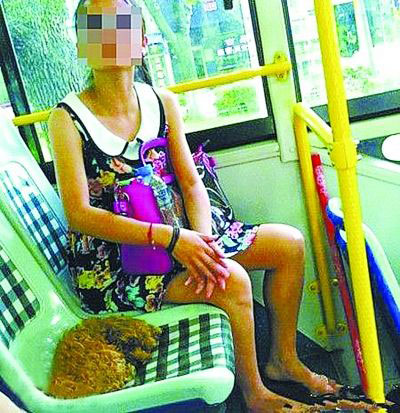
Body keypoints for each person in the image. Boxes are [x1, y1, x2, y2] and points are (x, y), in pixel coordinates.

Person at [48, 0, 374, 411]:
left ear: (142, 42)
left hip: (182, 232)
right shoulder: (66, 119)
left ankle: (282, 360)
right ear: (82, 43)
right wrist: (174, 242)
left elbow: (189, 180)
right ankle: (255, 393)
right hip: (118, 261)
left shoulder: (161, 102)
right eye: (97, 27)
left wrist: (202, 244)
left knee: (289, 244)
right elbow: (79, 214)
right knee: (233, 281)